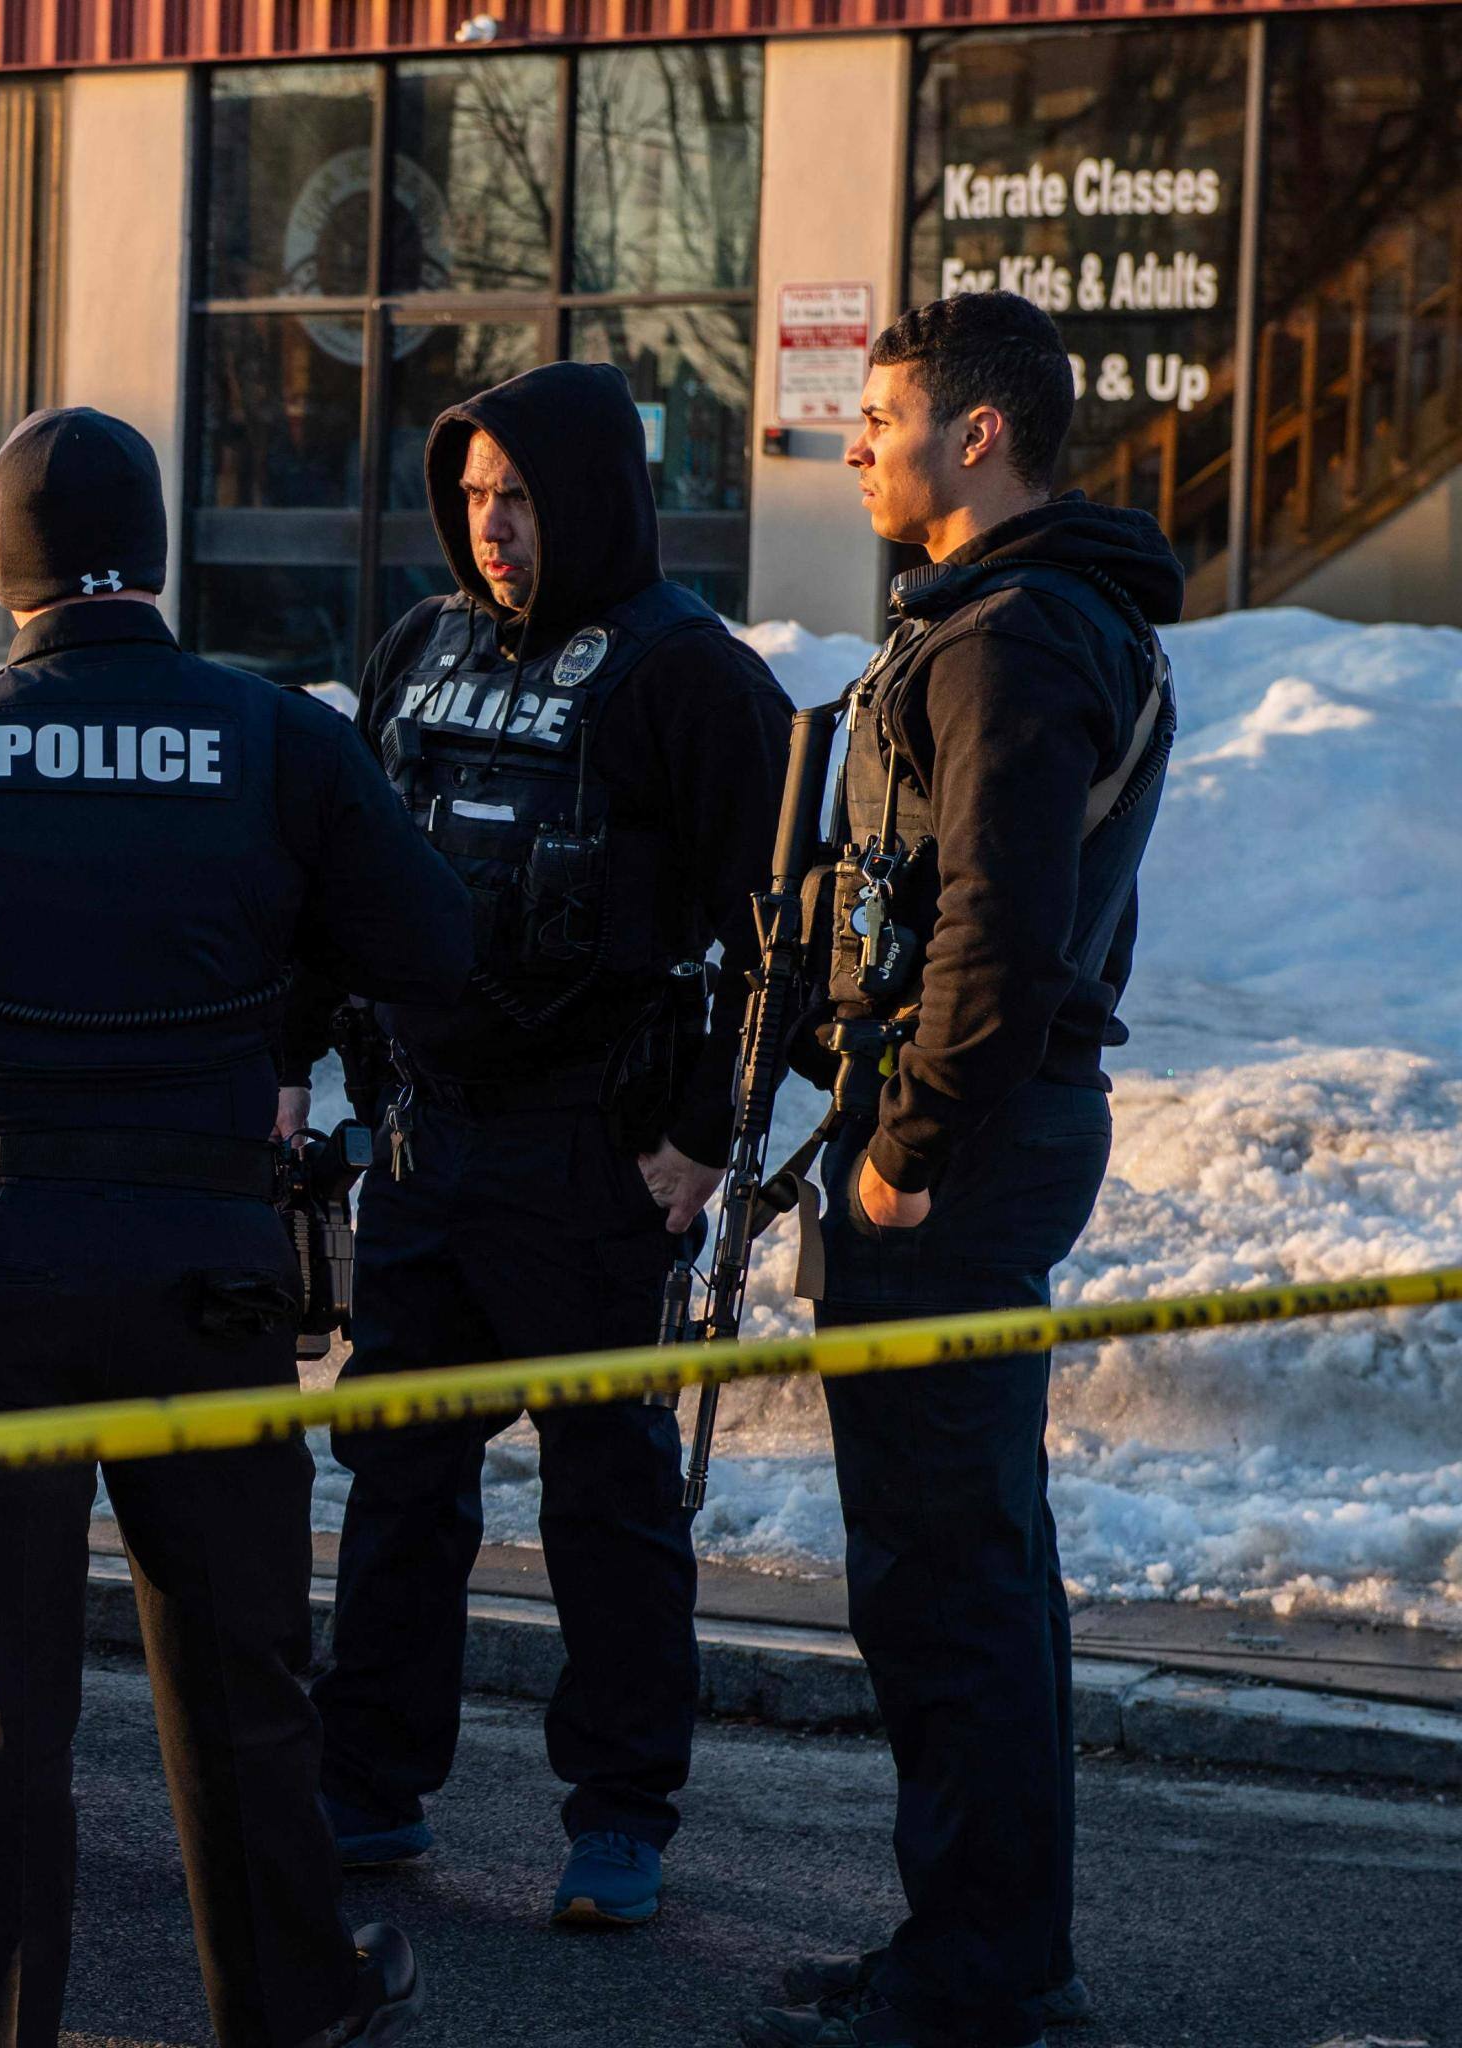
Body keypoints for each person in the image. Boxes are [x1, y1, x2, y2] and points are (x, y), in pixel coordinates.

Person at [0, 406, 472, 2048]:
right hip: (206, 1268)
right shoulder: (277, 739)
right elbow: (436, 947)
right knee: (238, 1687)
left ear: (6, 573)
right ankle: (292, 2009)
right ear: (158, 557)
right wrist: (285, 1025)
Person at [287, 361, 791, 1927]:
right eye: (474, 495)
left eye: (521, 496)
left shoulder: (687, 676)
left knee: (609, 1498)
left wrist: (706, 1138)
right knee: (400, 1478)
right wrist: (301, 1065)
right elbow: (340, 874)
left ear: (590, 496)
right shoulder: (417, 650)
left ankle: (619, 1816)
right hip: (430, 1150)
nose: (493, 526)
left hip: (594, 1157)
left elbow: (782, 933)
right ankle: (363, 1790)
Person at [739, 292, 1180, 2048]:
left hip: (962, 1147)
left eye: (885, 411)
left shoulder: (1009, 636)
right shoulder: (1008, 623)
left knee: (949, 1581)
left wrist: (907, 1153)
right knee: (964, 1567)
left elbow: (997, 929)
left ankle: (984, 1975)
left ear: (978, 435)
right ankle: (979, 1948)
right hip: (976, 1130)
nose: (855, 442)